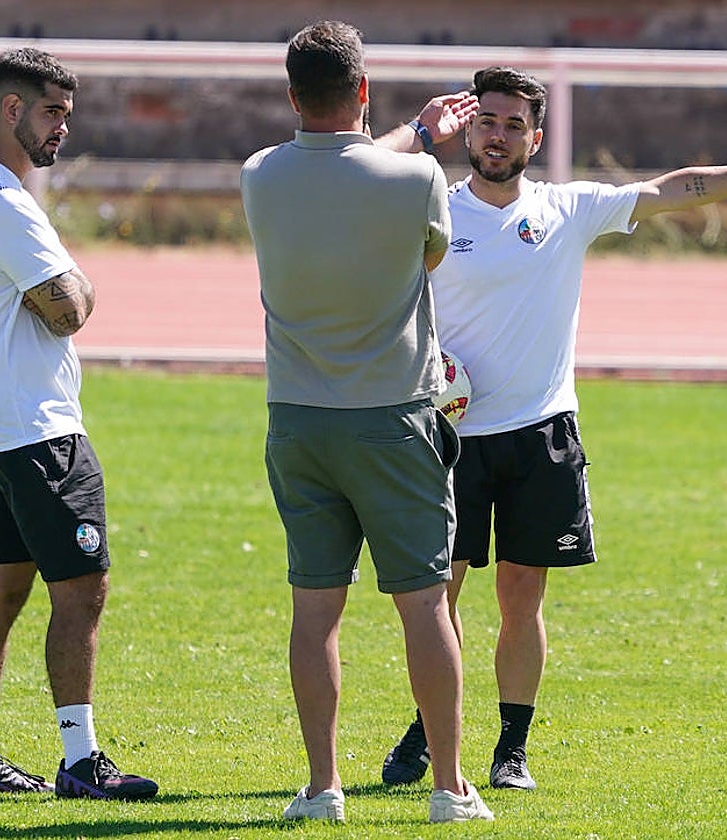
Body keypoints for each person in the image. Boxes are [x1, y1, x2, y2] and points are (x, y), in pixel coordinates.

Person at [379, 65, 727, 791]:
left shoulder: (567, 208)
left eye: (512, 125)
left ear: (535, 138)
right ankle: (428, 729)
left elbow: (675, 189)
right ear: (467, 128)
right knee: (441, 597)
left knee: (522, 597)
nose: (497, 136)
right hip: (451, 436)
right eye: (486, 121)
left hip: (540, 433)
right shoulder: (430, 206)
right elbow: (355, 173)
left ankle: (510, 750)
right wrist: (416, 130)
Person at [239, 20, 493, 824]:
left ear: (291, 96)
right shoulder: (416, 179)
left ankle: (323, 788)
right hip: (392, 418)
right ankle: (449, 788)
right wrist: (421, 136)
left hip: (298, 420)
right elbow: (426, 254)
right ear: (362, 89)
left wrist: (414, 130)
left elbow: (336, 165)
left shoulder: (258, 175)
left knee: (314, 612)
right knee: (425, 604)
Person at [0, 47, 157, 801]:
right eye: (53, 112)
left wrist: (66, 285)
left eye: (67, 112)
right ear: (12, 109)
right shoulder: (3, 203)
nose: (64, 126)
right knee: (82, 593)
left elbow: (53, 300)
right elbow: (68, 310)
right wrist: (81, 285)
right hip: (39, 435)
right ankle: (81, 760)